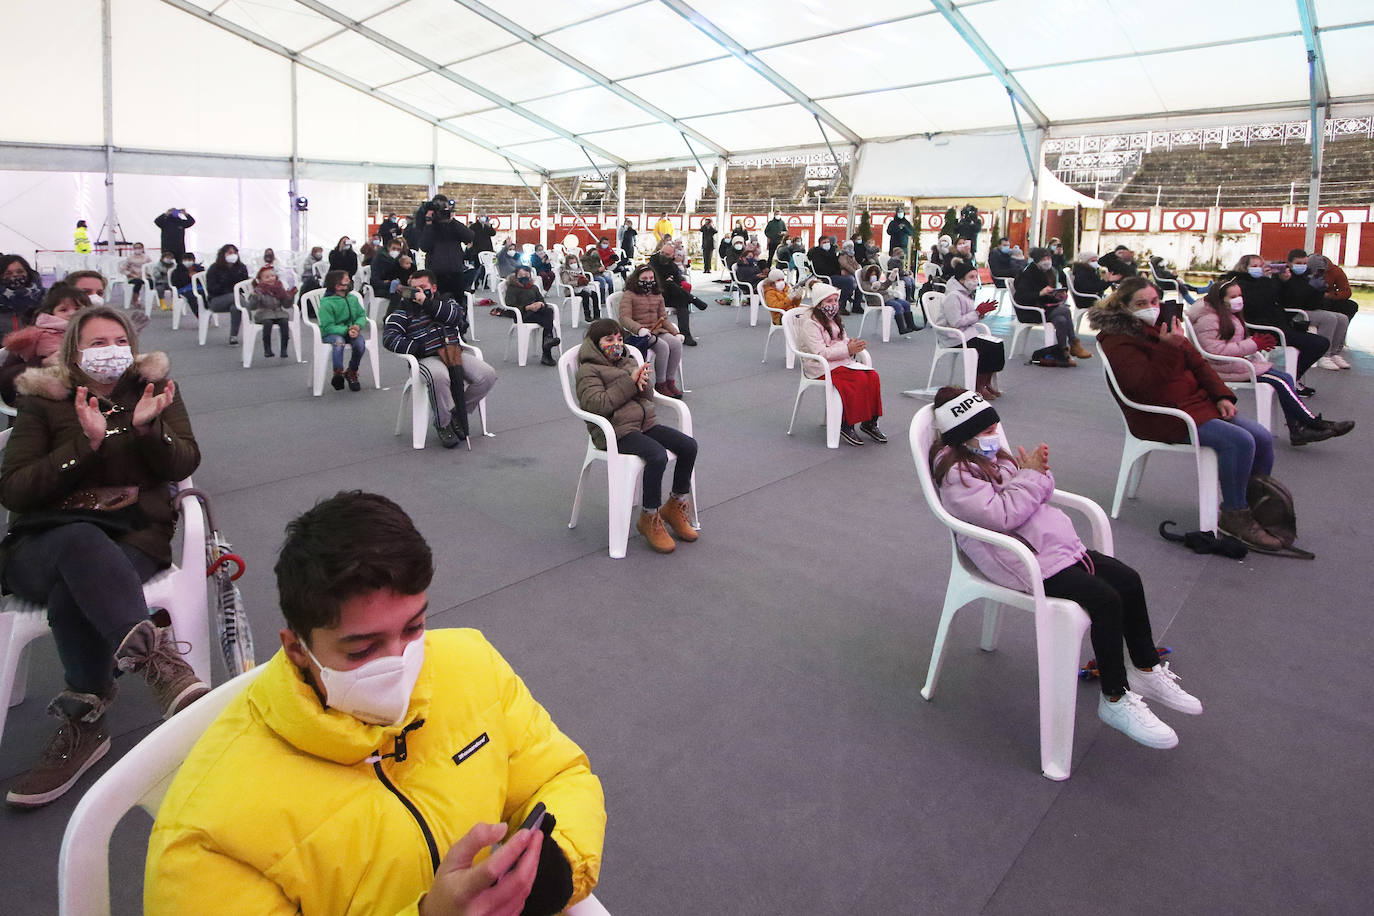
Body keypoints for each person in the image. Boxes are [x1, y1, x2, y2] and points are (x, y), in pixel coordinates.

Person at [144, 491, 605, 914]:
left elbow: (559, 774)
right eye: (362, 650)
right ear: (296, 648)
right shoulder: (208, 832)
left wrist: (551, 873)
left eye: (414, 628)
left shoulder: (471, 663)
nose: (399, 665)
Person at [1, 306, 207, 807]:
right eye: (96, 342)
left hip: (132, 535)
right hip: (43, 541)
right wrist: (85, 444)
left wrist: (147, 431)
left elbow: (185, 461)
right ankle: (159, 663)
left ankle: (84, 720)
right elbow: (14, 488)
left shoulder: (154, 390)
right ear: (73, 350)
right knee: (79, 545)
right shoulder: (43, 401)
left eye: (119, 340)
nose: (110, 350)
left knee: (80, 580)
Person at [928, 387, 1202, 750]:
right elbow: (1002, 516)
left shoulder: (997, 459)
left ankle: (1145, 668)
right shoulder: (956, 475)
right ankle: (1115, 699)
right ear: (964, 437)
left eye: (996, 426)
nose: (997, 435)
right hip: (1018, 561)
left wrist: (1036, 472)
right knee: (1105, 601)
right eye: (988, 430)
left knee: (1128, 580)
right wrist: (1031, 478)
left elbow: (1033, 493)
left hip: (1051, 547)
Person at [1090, 277, 1285, 550]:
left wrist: (1221, 396)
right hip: (1161, 416)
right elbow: (1143, 387)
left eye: (1155, 301)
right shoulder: (1116, 339)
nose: (1151, 307)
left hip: (1197, 405)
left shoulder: (1165, 325)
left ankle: (1256, 504)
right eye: (1141, 303)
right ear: (1124, 306)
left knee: (1261, 438)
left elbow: (1199, 363)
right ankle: (1234, 514)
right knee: (1239, 441)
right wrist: (1170, 348)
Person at [1188, 274, 1353, 447]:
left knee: (1286, 378)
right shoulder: (1209, 319)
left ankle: (1298, 429)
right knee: (1281, 382)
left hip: (1237, 364)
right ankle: (1314, 424)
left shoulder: (1228, 315)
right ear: (1220, 300)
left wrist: (1254, 346)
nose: (1239, 300)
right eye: (1233, 297)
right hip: (1222, 369)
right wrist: (1252, 344)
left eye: (1240, 296)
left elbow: (1232, 345)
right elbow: (1215, 351)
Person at [576, 319, 698, 552]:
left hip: (644, 423)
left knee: (688, 446)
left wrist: (643, 383)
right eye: (609, 340)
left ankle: (675, 505)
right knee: (656, 455)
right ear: (595, 344)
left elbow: (646, 398)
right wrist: (630, 383)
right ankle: (649, 516)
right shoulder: (588, 370)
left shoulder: (628, 360)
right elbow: (597, 405)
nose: (616, 344)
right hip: (614, 431)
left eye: (619, 339)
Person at [384, 270, 497, 449]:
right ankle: (443, 423)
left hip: (453, 352)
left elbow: (456, 317)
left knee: (487, 375)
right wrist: (416, 347)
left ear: (433, 288)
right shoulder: (402, 309)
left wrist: (427, 303)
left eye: (423, 288)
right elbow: (389, 338)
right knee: (439, 376)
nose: (418, 292)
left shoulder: (446, 301)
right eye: (414, 289)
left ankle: (457, 414)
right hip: (426, 357)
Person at [794, 283, 884, 447]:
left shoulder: (833, 319)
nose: (833, 304)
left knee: (872, 376)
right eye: (829, 301)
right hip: (820, 366)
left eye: (835, 300)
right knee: (855, 380)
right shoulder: (810, 324)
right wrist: (847, 349)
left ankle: (870, 422)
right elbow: (820, 353)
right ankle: (846, 423)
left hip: (840, 362)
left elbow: (841, 341)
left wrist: (851, 344)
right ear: (820, 303)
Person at [1233, 254, 1328, 388]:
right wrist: (1267, 280)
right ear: (1244, 268)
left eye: (1261, 266)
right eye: (1254, 266)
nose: (1259, 269)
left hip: (1279, 326)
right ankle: (1291, 379)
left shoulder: (1265, 282)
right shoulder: (1240, 285)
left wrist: (1285, 282)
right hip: (1264, 330)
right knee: (1319, 344)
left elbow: (1287, 300)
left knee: (1317, 342)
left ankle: (1292, 377)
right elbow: (1258, 303)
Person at [0, 284, 90, 405]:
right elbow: (6, 378)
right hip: (46, 397)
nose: (72, 314)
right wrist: (42, 362)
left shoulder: (98, 331)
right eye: (64, 310)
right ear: (50, 312)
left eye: (78, 308)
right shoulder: (38, 334)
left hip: (88, 392)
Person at [937, 262, 1007, 399]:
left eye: (976, 276)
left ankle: (987, 382)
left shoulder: (966, 293)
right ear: (961, 280)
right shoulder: (953, 296)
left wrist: (980, 313)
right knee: (985, 348)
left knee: (997, 345)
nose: (975, 280)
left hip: (967, 333)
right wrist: (977, 313)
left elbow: (968, 318)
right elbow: (956, 322)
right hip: (953, 336)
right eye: (971, 277)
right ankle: (978, 385)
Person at [1014, 247, 1090, 366]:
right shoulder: (1028, 273)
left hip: (1047, 307)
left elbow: (1050, 295)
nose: (1047, 261)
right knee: (1064, 310)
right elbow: (1021, 297)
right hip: (1032, 310)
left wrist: (1058, 295)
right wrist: (1040, 293)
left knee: (1061, 320)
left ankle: (1063, 353)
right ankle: (1074, 344)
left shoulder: (1051, 272)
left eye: (1049, 258)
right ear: (1037, 261)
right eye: (1044, 259)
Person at [618, 266, 683, 398]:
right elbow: (624, 318)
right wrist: (639, 329)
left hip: (657, 330)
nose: (649, 281)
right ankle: (661, 383)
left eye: (651, 278)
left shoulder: (657, 294)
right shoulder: (629, 294)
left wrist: (675, 333)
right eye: (644, 278)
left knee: (676, 343)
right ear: (637, 279)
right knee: (663, 347)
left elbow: (663, 318)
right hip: (639, 334)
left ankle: (670, 381)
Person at [1281, 249, 1349, 372]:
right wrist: (1309, 289)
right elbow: (1292, 298)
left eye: (1304, 263)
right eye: (1298, 263)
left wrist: (1319, 291)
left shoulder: (1308, 276)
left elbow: (1314, 303)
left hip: (1307, 308)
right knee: (1329, 318)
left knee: (1342, 318)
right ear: (1290, 263)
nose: (1302, 266)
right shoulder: (1286, 277)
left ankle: (1334, 353)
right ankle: (1324, 355)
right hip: (1293, 312)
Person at [648, 241, 708, 347]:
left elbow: (679, 280)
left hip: (669, 295)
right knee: (669, 284)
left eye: (667, 254)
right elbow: (654, 280)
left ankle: (686, 335)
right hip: (655, 294)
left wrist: (671, 280)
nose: (663, 256)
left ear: (672, 256)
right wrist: (667, 280)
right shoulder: (653, 262)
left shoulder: (673, 266)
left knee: (682, 300)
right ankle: (693, 299)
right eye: (662, 253)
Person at [318, 270, 369, 392]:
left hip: (352, 330)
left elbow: (362, 315)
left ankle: (352, 371)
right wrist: (347, 330)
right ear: (336, 285)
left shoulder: (352, 298)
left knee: (360, 344)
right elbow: (328, 326)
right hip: (332, 333)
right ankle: (338, 373)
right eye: (345, 279)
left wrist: (357, 326)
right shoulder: (327, 303)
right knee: (338, 342)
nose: (349, 281)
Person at [417, 197, 476, 297]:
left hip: (456, 271)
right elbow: (424, 246)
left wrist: (452, 221)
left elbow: (469, 237)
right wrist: (429, 223)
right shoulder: (428, 226)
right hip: (436, 273)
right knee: (437, 303)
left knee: (458, 303)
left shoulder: (453, 225)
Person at [503, 264, 560, 366]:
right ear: (516, 276)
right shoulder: (513, 288)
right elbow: (510, 307)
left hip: (537, 312)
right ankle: (547, 352)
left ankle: (547, 341)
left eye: (527, 275)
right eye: (521, 275)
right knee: (548, 319)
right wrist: (527, 307)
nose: (524, 277)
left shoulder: (533, 287)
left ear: (530, 275)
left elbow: (542, 300)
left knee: (549, 311)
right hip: (522, 315)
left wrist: (540, 304)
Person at [247, 265, 295, 359]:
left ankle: (284, 349)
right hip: (264, 313)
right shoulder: (259, 290)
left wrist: (290, 296)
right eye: (267, 277)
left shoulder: (279, 288)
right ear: (260, 280)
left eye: (272, 276)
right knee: (267, 323)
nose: (270, 279)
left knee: (284, 323)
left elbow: (286, 305)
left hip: (278, 312)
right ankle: (267, 348)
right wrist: (255, 296)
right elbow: (252, 306)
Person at [205, 244, 250, 345]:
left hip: (236, 299)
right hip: (216, 300)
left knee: (236, 306)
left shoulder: (241, 267)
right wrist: (226, 284)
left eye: (235, 253)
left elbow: (244, 286)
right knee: (235, 297)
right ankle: (253, 315)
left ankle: (233, 336)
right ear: (223, 254)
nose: (233, 255)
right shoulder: (214, 268)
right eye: (230, 253)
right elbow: (212, 288)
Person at [860, 264, 917, 334]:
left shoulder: (878, 282)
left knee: (906, 304)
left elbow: (884, 286)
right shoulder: (865, 283)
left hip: (888, 298)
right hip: (877, 300)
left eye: (875, 274)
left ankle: (911, 325)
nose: (873, 275)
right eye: (871, 274)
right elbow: (868, 289)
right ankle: (902, 328)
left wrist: (891, 278)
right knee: (898, 306)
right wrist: (874, 287)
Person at [1306, 253, 1356, 324]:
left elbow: (1346, 292)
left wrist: (1330, 295)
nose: (1318, 273)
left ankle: (1342, 327)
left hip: (1328, 298)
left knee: (1351, 306)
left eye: (1321, 271)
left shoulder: (1336, 271)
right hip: (1309, 298)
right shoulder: (1304, 270)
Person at [1, 254, 44, 330]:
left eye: (20, 271)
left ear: (28, 273)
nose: (15, 275)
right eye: (8, 273)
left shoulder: (46, 298)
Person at [562, 254, 600, 323]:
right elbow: (566, 282)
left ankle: (597, 315)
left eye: (574, 262)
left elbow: (584, 279)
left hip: (582, 288)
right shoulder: (566, 272)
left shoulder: (580, 270)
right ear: (568, 264)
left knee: (594, 294)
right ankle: (587, 315)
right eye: (571, 263)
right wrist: (577, 282)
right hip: (571, 290)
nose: (573, 264)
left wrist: (585, 280)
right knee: (585, 295)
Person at [837, 241, 863, 314]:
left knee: (860, 281)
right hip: (845, 274)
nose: (850, 248)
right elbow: (845, 265)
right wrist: (855, 272)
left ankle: (857, 305)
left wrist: (859, 270)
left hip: (852, 274)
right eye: (849, 247)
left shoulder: (852, 255)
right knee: (850, 281)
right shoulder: (842, 255)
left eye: (851, 246)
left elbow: (856, 264)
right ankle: (842, 305)